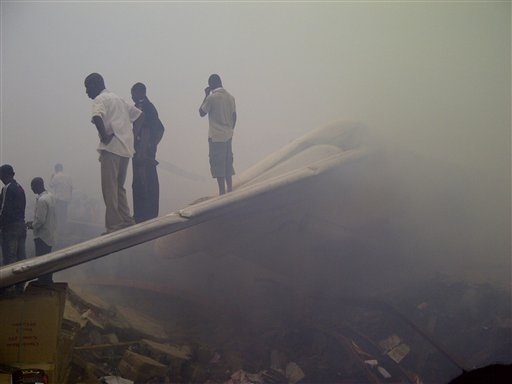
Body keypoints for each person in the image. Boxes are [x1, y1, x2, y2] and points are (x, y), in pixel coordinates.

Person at [84, 73, 143, 233]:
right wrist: (133, 135)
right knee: (119, 187)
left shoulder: (100, 99)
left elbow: (97, 117)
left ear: (96, 85)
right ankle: (126, 220)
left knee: (109, 189)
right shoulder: (118, 99)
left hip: (111, 148)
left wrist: (104, 136)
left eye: (88, 88)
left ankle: (114, 225)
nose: (87, 92)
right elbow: (139, 116)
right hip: (125, 149)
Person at [131, 82, 165, 223]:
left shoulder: (147, 109)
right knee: (141, 182)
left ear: (141, 93)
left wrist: (147, 148)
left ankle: (144, 215)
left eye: (133, 94)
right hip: (141, 151)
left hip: (143, 153)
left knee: (143, 182)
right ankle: (143, 214)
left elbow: (156, 129)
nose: (132, 97)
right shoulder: (143, 108)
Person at [199, 74, 237, 195]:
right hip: (228, 135)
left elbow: (201, 112)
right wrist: (231, 130)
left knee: (218, 164)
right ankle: (230, 188)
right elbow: (234, 116)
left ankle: (222, 191)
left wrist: (206, 94)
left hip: (216, 136)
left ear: (211, 84)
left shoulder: (212, 98)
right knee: (227, 163)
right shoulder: (230, 97)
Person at [0, 164, 27, 292]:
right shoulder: (20, 188)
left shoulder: (7, 188)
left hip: (10, 228)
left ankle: (9, 288)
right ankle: (20, 287)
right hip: (21, 226)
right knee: (21, 258)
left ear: (5, 175)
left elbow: (3, 210)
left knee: (10, 259)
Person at [26, 177, 57, 284]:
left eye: (32, 187)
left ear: (37, 186)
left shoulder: (42, 200)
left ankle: (43, 281)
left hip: (41, 235)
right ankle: (48, 279)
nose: (32, 189)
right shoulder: (51, 196)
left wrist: (32, 226)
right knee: (48, 259)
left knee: (41, 259)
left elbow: (40, 220)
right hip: (50, 233)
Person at [49, 163, 72, 231]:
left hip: (59, 199)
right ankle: (63, 229)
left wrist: (52, 177)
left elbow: (51, 185)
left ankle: (58, 230)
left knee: (58, 214)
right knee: (64, 215)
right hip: (66, 199)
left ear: (56, 169)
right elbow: (71, 188)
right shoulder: (68, 176)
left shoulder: (56, 176)